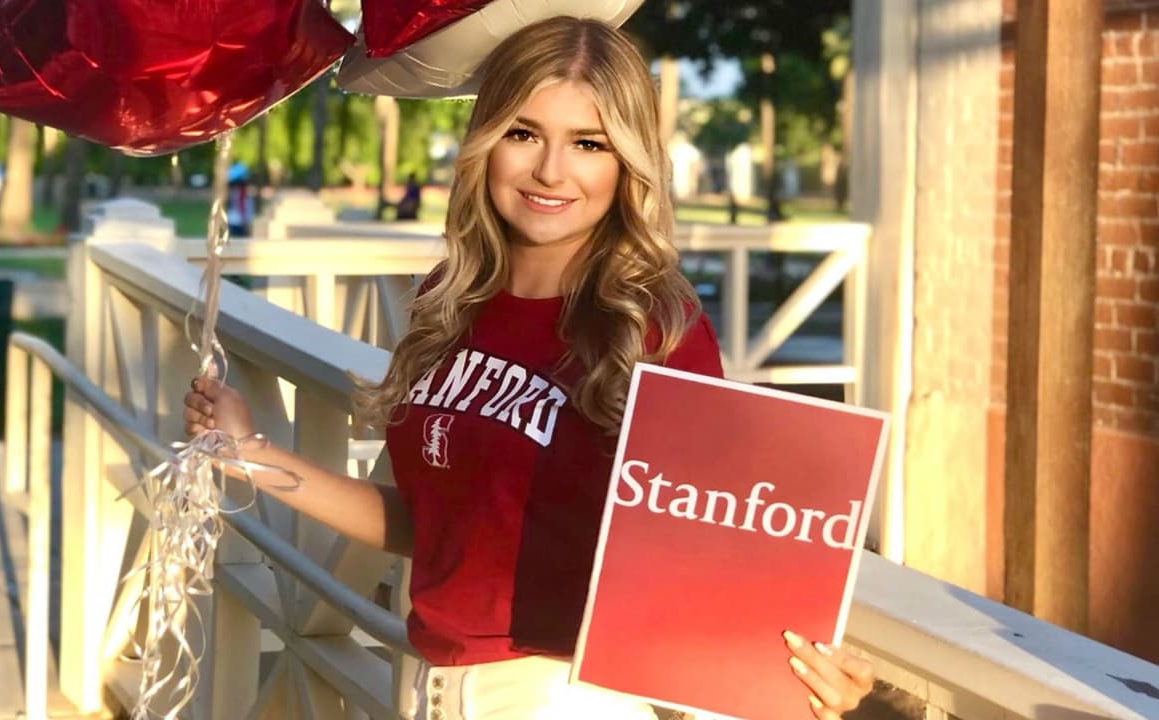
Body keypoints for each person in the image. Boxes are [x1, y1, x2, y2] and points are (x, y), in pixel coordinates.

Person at [185, 16, 874, 720]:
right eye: (523, 133)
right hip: (435, 683)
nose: (551, 170)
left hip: (568, 694)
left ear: (625, 162)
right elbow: (429, 525)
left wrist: (797, 679)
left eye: (588, 143)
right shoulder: (448, 303)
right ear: (485, 141)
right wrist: (250, 455)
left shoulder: (653, 328)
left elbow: (721, 543)